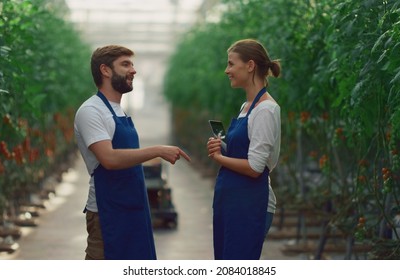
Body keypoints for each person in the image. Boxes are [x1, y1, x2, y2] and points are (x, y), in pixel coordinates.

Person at [74, 45, 191, 260]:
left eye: (132, 64)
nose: (133, 70)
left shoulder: (119, 109)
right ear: (105, 70)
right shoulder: (91, 111)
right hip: (106, 212)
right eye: (125, 64)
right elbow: (108, 159)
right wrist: (156, 150)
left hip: (133, 206)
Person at [206, 39, 281, 260]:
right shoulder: (246, 107)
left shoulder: (266, 109)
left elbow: (255, 167)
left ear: (250, 66)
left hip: (250, 204)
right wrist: (223, 147)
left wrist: (219, 157)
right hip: (232, 201)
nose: (226, 70)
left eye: (231, 64)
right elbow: (246, 151)